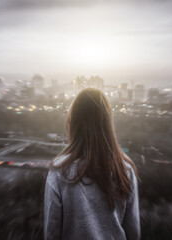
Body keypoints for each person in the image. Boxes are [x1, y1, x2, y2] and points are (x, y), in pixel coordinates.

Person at [44, 88, 140, 240]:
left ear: (73, 124)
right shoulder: (125, 169)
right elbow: (133, 232)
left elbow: (52, 233)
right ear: (107, 125)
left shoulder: (60, 171)